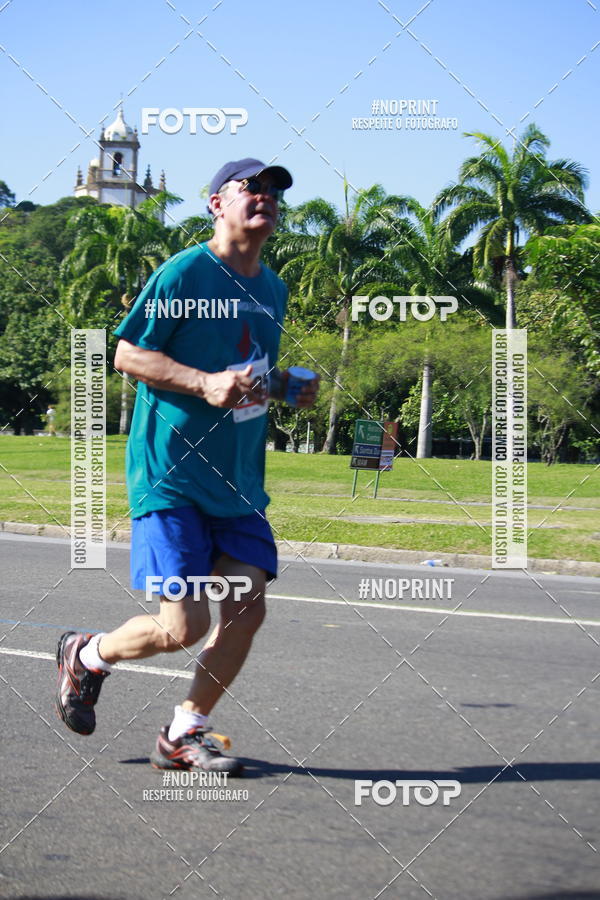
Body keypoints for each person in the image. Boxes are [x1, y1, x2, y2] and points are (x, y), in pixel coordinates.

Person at [55, 158, 319, 774]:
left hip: (238, 481)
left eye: (275, 190)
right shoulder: (186, 272)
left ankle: (183, 733)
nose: (266, 197)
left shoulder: (272, 288)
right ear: (215, 202)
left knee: (248, 607)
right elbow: (125, 352)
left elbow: (244, 373)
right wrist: (201, 383)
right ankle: (88, 655)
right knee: (182, 624)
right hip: (171, 472)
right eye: (251, 187)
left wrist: (285, 386)